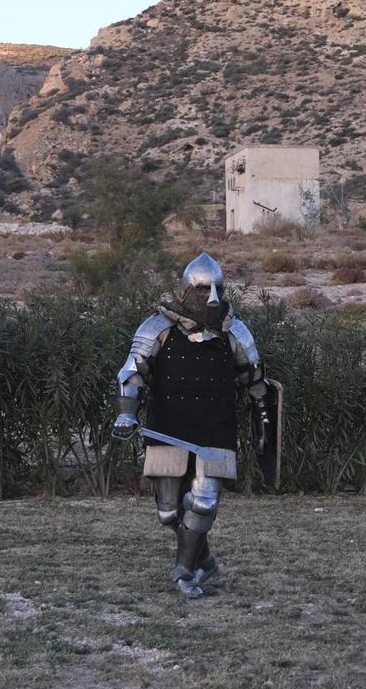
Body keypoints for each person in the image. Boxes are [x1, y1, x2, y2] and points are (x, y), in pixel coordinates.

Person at [111, 253, 269, 597]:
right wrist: (127, 412)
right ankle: (206, 560)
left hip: (215, 428)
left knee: (203, 504)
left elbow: (256, 384)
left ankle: (185, 572)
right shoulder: (157, 327)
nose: (211, 298)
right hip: (168, 426)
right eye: (202, 290)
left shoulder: (235, 330)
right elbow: (132, 372)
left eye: (216, 289)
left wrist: (263, 433)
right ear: (186, 292)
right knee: (169, 514)